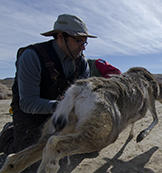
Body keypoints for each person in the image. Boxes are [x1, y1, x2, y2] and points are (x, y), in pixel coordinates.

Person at [0, 14, 97, 155]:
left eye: (85, 42)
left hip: (62, 111)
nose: (83, 48)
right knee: (29, 160)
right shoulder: (32, 56)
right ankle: (8, 134)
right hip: (31, 113)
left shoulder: (82, 64)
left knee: (91, 145)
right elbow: (27, 103)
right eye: (78, 41)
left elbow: (84, 94)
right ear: (61, 37)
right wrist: (61, 106)